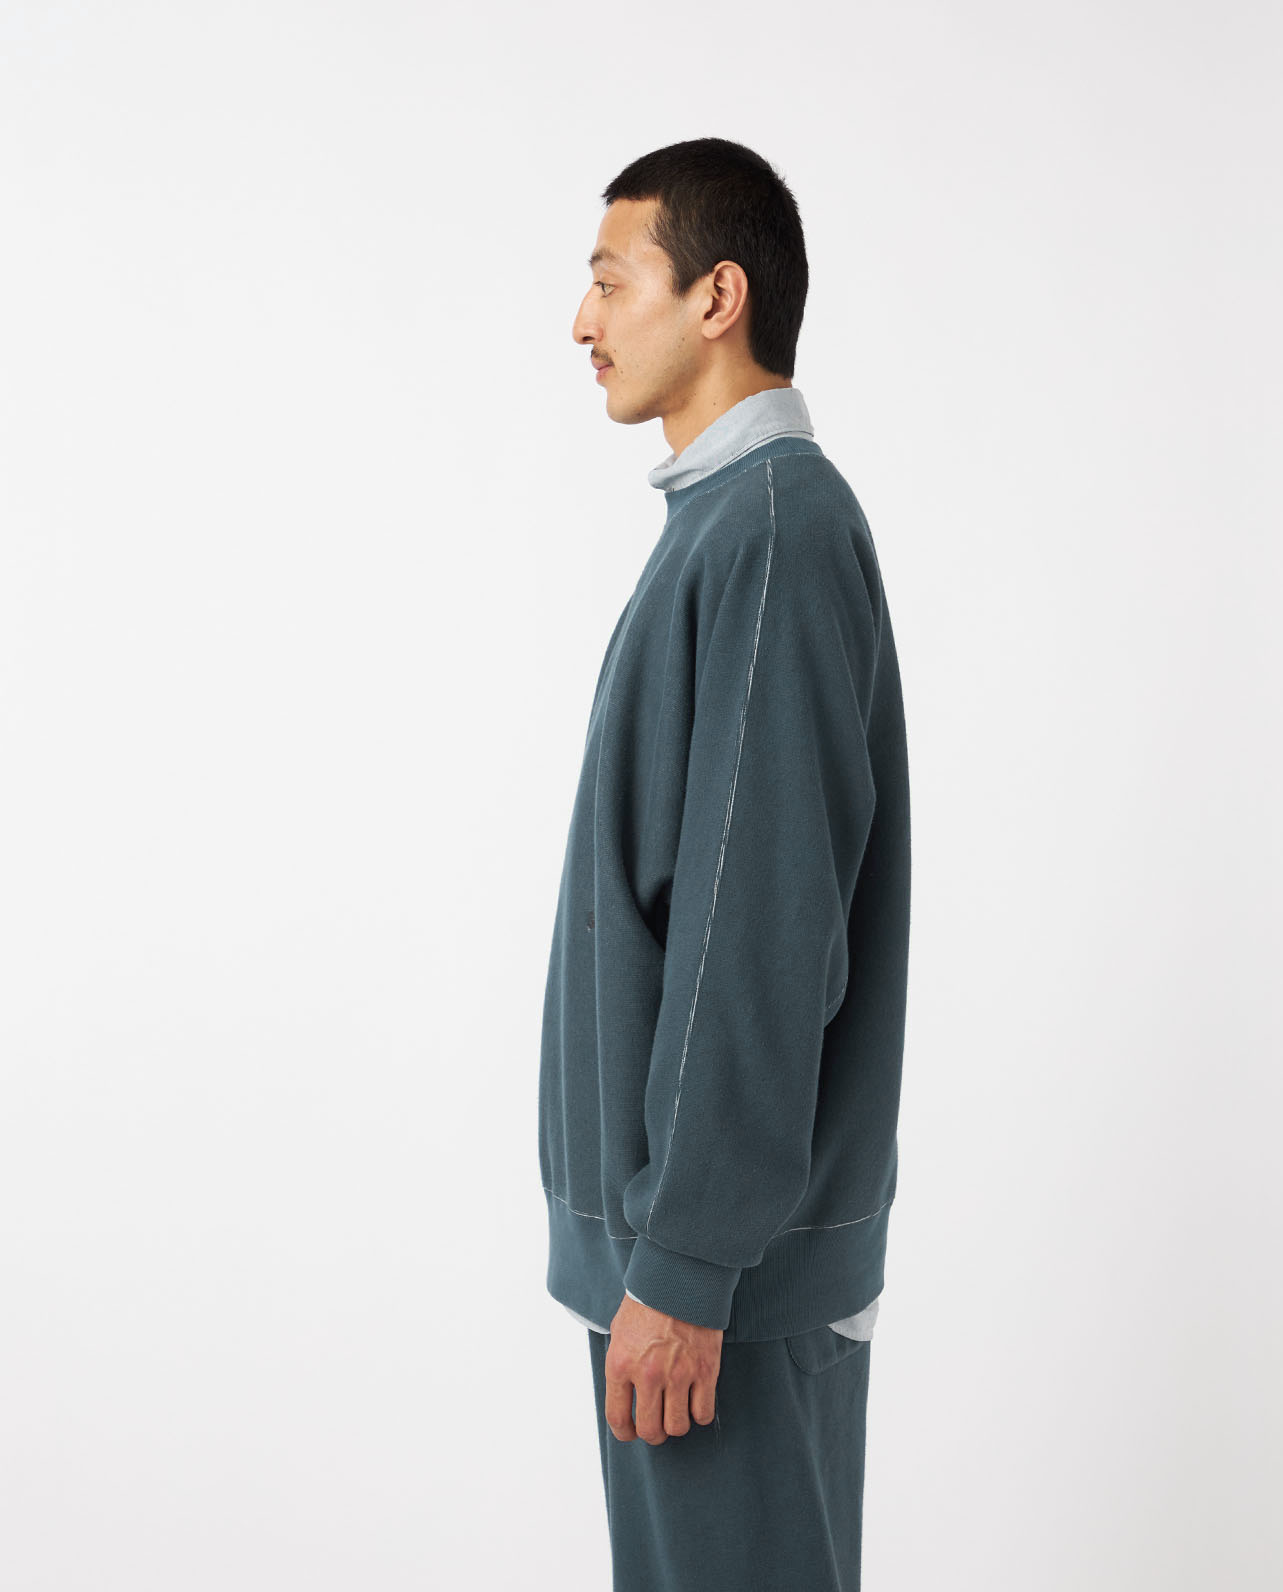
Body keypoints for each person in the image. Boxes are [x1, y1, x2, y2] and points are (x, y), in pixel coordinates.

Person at [539, 135, 912, 1592]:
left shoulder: (772, 528)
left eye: (610, 280)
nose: (582, 320)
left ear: (717, 297)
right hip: (696, 1265)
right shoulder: (730, 523)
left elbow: (757, 926)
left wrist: (687, 1265)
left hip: (717, 1284)